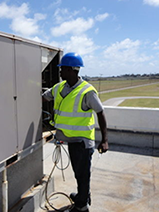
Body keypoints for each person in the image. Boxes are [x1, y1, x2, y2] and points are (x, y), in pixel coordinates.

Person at [42, 52, 109, 212]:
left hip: (82, 141)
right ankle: (82, 195)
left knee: (82, 174)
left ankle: (82, 206)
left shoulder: (87, 92)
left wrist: (105, 140)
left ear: (72, 70)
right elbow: (43, 97)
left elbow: (101, 113)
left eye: (62, 69)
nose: (59, 72)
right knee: (79, 172)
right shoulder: (59, 88)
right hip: (71, 140)